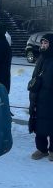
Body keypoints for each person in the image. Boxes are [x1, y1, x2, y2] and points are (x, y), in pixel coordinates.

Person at [29, 33, 53, 161]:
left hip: (50, 98)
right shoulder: (41, 58)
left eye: (46, 43)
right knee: (39, 124)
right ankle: (41, 149)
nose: (43, 45)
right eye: (42, 43)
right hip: (38, 97)